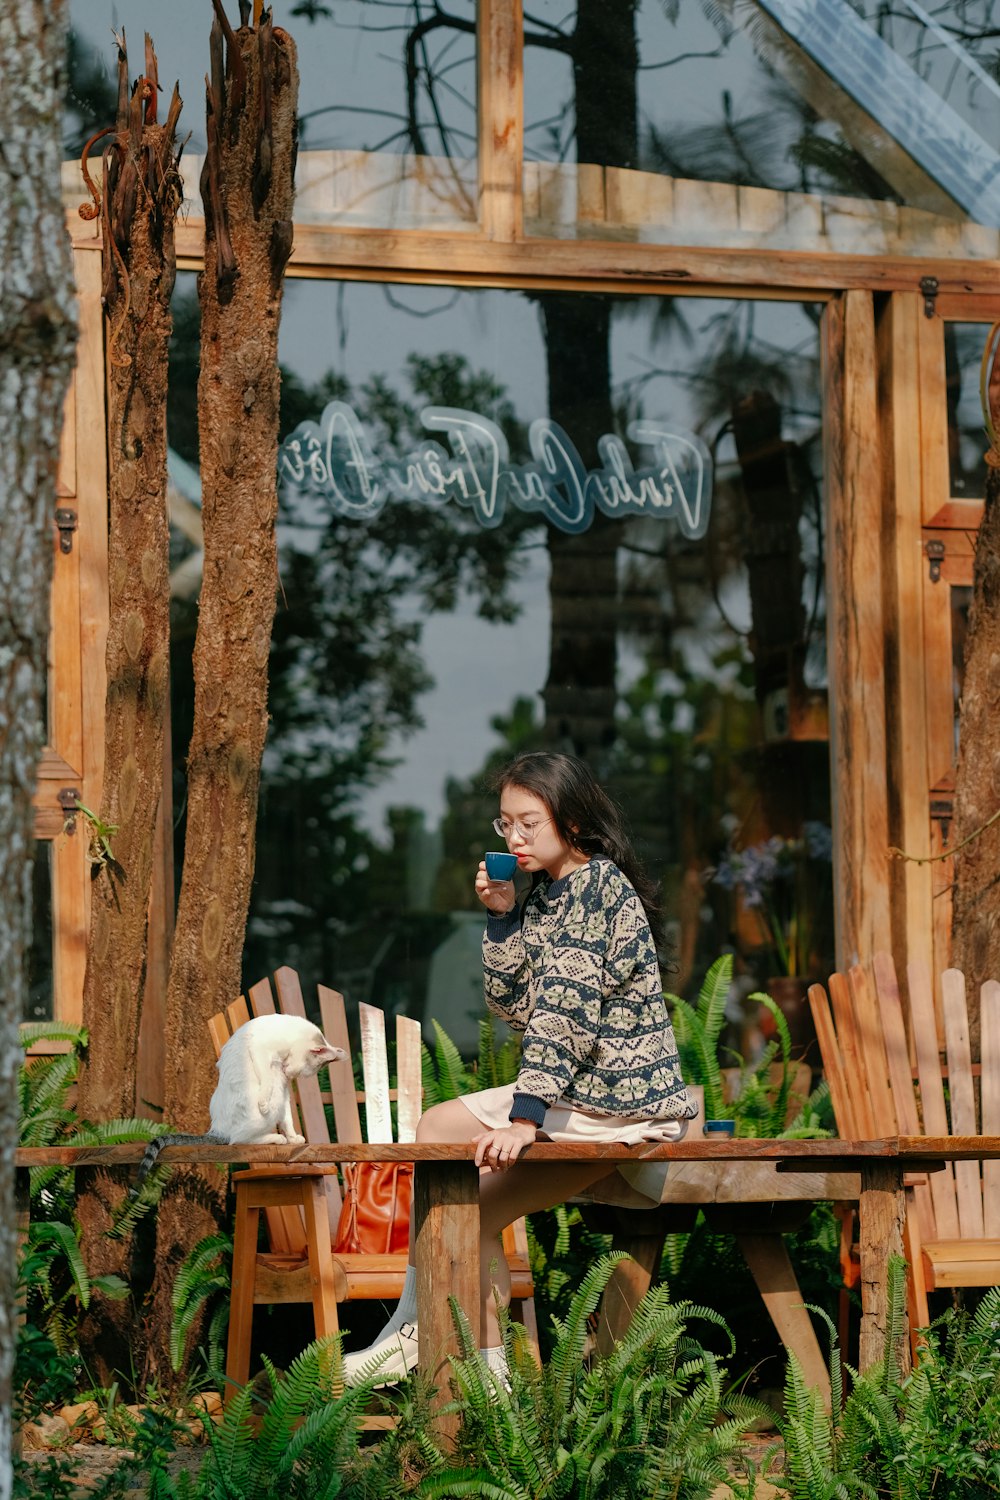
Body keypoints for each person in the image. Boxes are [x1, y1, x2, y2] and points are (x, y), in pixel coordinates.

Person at [342, 750, 696, 1386]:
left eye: (529, 822)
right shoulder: (547, 896)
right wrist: (503, 917)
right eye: (506, 824)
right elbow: (519, 1010)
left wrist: (524, 1121)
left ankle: (467, 1371)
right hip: (580, 1091)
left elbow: (566, 1015)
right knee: (437, 1127)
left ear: (574, 821)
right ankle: (421, 1336)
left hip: (616, 1104)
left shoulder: (598, 889)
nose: (513, 837)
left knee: (471, 1216)